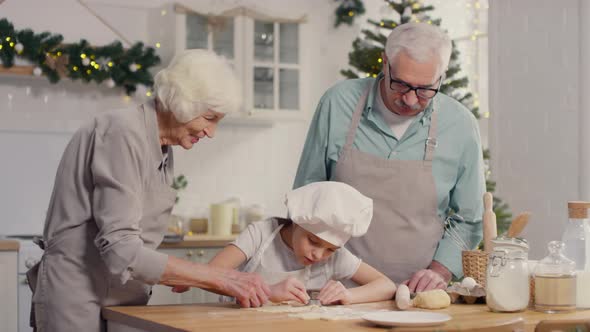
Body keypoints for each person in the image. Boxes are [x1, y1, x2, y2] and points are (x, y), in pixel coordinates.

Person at [26, 49, 271, 332]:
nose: (211, 132)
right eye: (209, 118)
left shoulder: (163, 145)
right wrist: (216, 277)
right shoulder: (123, 132)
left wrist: (188, 275)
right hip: (78, 291)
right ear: (183, 103)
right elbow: (121, 249)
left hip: (121, 293)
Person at [293, 22, 485, 293]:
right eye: (401, 85)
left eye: (425, 89)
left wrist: (439, 271)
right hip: (334, 290)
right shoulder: (337, 103)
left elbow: (471, 218)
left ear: (441, 77)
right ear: (385, 64)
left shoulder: (461, 125)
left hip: (417, 295)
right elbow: (306, 192)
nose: (409, 99)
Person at [209, 181, 396, 305]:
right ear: (297, 221)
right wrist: (267, 292)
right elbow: (209, 275)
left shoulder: (335, 258)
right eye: (313, 241)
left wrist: (348, 295)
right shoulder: (260, 234)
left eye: (330, 249)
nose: (319, 255)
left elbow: (387, 286)